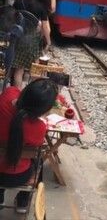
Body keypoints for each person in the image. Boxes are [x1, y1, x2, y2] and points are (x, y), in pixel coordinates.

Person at [0, 79, 57, 214]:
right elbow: (35, 144)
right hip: (18, 176)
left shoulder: (7, 95)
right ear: (44, 110)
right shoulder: (39, 127)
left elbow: (15, 91)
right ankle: (22, 202)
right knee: (38, 160)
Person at [12, 0, 53, 87]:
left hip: (17, 37)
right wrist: (48, 42)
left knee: (19, 70)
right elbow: (46, 28)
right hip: (31, 42)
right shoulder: (42, 7)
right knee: (35, 68)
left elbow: (12, 14)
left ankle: (16, 94)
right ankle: (32, 90)